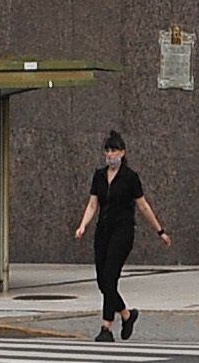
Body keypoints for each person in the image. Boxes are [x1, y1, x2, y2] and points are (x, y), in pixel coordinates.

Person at [71, 130, 167, 340]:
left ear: (123, 152)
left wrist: (160, 231)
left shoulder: (130, 178)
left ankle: (106, 328)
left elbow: (143, 206)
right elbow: (93, 204)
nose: (110, 154)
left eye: (114, 150)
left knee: (109, 277)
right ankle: (126, 314)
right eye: (107, 150)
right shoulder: (99, 175)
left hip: (122, 232)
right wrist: (83, 225)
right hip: (103, 231)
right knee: (102, 281)